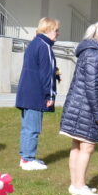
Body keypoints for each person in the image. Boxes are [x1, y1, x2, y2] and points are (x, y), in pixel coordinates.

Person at [59, 21, 98, 195]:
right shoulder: (94, 54)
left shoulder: (90, 52)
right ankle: (80, 185)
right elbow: (92, 87)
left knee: (77, 145)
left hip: (80, 106)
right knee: (87, 147)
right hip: (86, 108)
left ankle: (76, 184)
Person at [15, 17, 62, 170]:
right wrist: (50, 95)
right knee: (33, 127)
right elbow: (46, 73)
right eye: (56, 30)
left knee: (27, 126)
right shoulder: (44, 46)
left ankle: (26, 157)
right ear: (48, 30)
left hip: (27, 91)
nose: (58, 33)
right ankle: (28, 159)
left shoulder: (34, 43)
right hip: (35, 93)